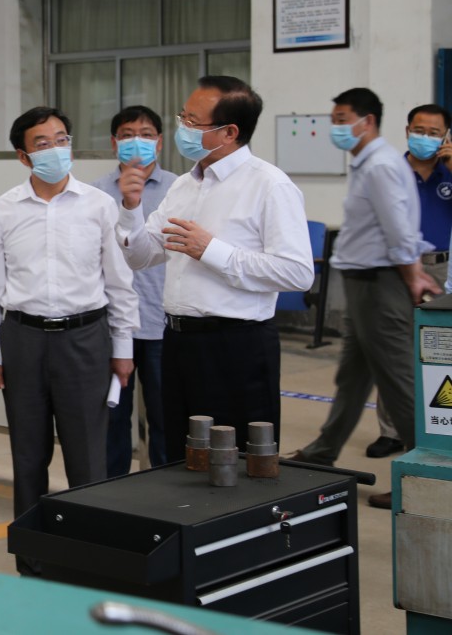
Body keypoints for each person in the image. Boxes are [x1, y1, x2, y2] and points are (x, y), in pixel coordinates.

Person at [0, 107, 138, 575]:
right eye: (42, 143)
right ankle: (33, 562)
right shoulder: (4, 209)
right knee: (28, 457)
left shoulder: (98, 205)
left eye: (62, 139)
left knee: (87, 459)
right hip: (22, 339)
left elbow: (119, 282)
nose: (55, 149)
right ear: (23, 156)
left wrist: (122, 348)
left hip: (85, 338)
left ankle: (90, 561)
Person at [117, 76, 314, 461]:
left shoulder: (269, 185)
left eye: (194, 122)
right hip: (178, 341)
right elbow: (140, 257)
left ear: (229, 132)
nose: (183, 129)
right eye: (182, 117)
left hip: (236, 345)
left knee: (235, 461)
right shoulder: (184, 186)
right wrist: (130, 208)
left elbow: (297, 272)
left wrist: (212, 251)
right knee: (181, 456)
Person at [290, 89, 441, 510]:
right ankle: (322, 452)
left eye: (342, 119)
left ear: (367, 121)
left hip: (379, 285)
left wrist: (412, 276)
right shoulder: (368, 163)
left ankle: (426, 475)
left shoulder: (380, 166)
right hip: (363, 283)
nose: (335, 127)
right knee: (352, 377)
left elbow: (399, 229)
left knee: (398, 383)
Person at [91, 106, 177, 476]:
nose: (136, 141)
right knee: (111, 418)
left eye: (145, 134)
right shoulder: (95, 193)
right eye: (127, 135)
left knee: (166, 417)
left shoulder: (178, 188)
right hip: (112, 325)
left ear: (159, 142)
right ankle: (111, 492)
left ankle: (166, 491)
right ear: (114, 143)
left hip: (162, 322)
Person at [368, 104, 452, 458]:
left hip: (440, 269)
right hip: (396, 268)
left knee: (441, 350)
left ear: (445, 137)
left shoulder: (449, 171)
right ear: (406, 131)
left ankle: (439, 424)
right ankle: (392, 431)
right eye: (419, 130)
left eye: (434, 133)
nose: (425, 138)